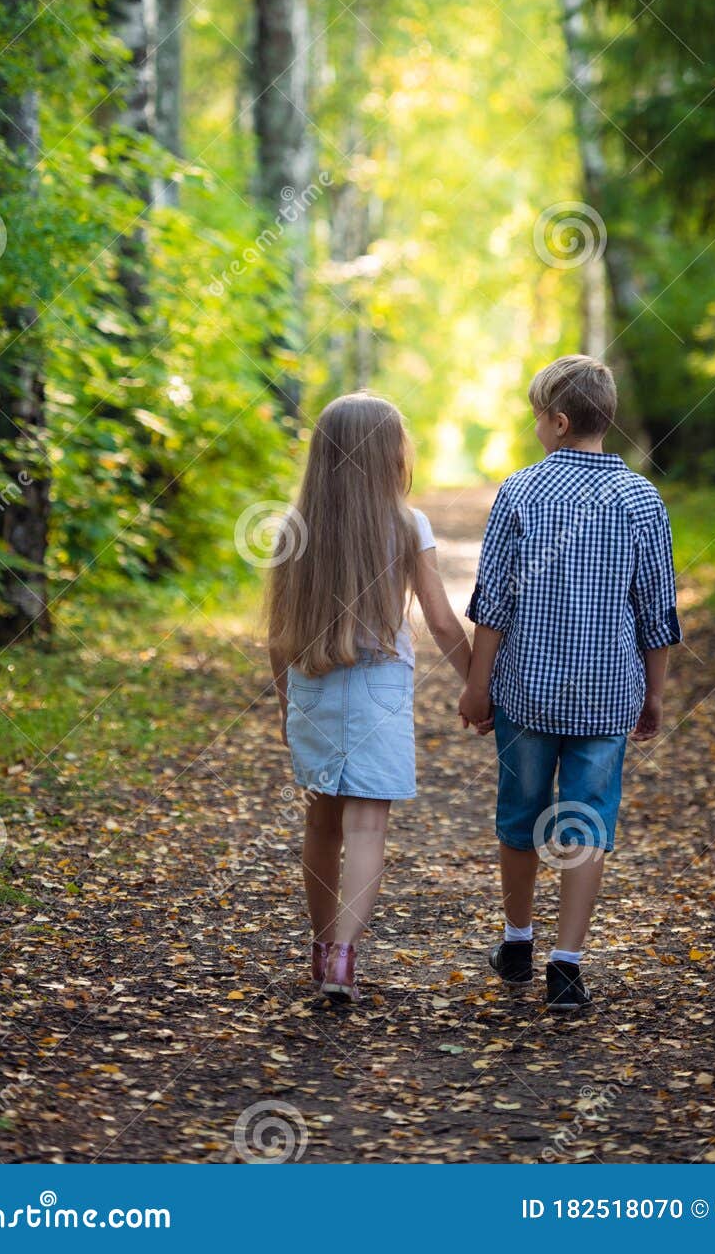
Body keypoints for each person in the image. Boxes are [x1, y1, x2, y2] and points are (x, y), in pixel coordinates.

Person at [458, 355, 681, 1011]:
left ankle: (517, 940)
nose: (534, 428)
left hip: (525, 691)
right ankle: (566, 967)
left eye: (536, 417)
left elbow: (492, 604)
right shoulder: (642, 498)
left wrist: (477, 686)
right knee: (585, 822)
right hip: (607, 693)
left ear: (557, 421)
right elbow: (657, 612)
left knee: (520, 817)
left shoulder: (521, 492)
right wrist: (654, 694)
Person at [268, 392, 471, 1001]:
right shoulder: (408, 524)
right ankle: (344, 957)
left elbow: (278, 635)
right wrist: (477, 685)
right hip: (379, 683)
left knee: (321, 821)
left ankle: (321, 943)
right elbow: (439, 622)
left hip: (313, 682)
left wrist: (286, 706)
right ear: (391, 453)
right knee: (365, 828)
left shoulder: (292, 527)